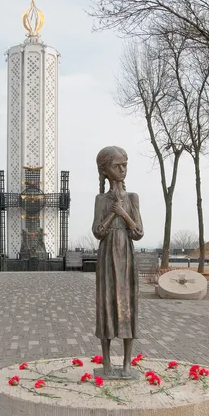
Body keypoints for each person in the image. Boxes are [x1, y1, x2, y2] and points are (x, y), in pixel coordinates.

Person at [92, 146, 144, 377]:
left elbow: (139, 232)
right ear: (105, 170)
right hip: (106, 257)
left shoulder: (133, 198)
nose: (123, 169)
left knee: (127, 306)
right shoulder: (101, 199)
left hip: (126, 256)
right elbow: (97, 231)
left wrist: (123, 214)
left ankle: (126, 364)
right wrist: (113, 213)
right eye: (117, 165)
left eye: (125, 165)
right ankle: (106, 363)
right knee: (106, 305)